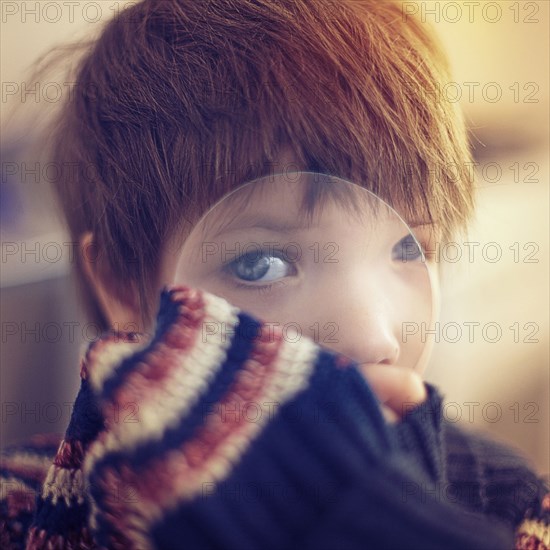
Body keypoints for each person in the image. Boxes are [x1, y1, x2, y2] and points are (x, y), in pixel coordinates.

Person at [1, 0, 548, 548]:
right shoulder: (19, 505)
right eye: (262, 264)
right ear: (123, 287)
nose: (372, 338)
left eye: (408, 248)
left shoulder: (518, 508)